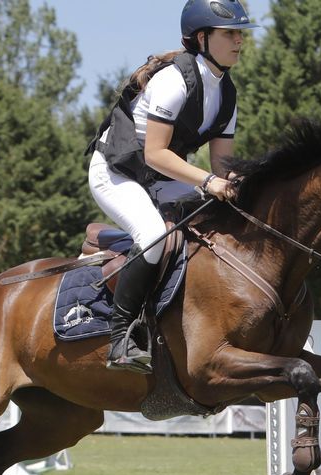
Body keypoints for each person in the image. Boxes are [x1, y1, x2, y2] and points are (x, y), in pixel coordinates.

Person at [86, 0, 258, 373]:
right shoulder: (173, 81)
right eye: (230, 33)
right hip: (117, 172)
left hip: (160, 178)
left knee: (224, 218)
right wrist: (210, 182)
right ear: (202, 37)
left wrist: (238, 185)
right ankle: (120, 339)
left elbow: (220, 166)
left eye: (240, 33)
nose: (239, 41)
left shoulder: (227, 94)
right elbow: (155, 155)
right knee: (153, 235)